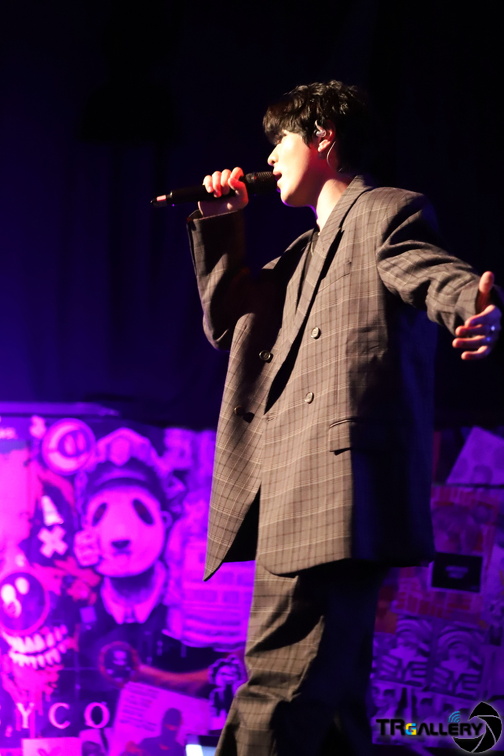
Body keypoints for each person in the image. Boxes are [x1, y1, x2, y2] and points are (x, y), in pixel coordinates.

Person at [185, 80, 502, 756]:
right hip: (293, 492)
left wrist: (474, 307)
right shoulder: (301, 256)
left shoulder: (384, 211)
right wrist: (220, 221)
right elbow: (230, 323)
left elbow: (433, 273)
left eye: (281, 140)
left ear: (324, 137)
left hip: (332, 495)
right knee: (332, 710)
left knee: (276, 692)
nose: (270, 157)